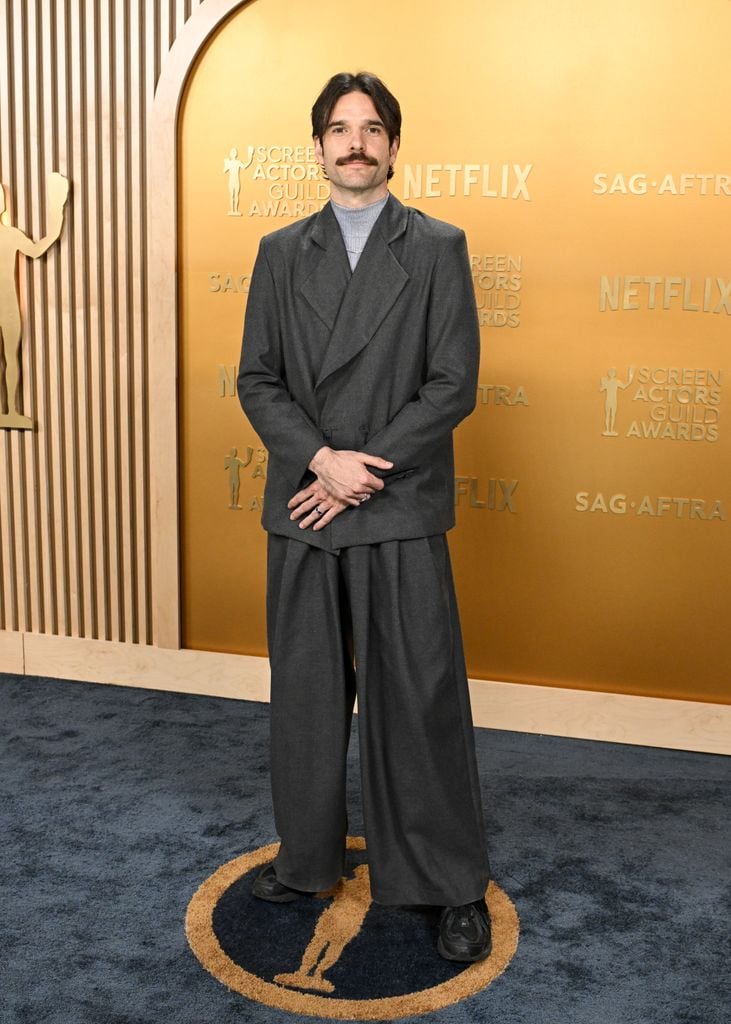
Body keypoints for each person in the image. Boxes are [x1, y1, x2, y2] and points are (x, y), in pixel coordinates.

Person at [237, 71, 491, 963]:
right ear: (316, 147)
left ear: (392, 145)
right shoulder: (278, 251)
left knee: (416, 698)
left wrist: (356, 472)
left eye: (372, 128)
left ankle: (446, 882)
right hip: (305, 502)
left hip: (397, 502)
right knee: (305, 700)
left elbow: (452, 382)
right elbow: (256, 379)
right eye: (339, 129)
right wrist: (321, 460)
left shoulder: (437, 246)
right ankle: (306, 863)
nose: (355, 142)